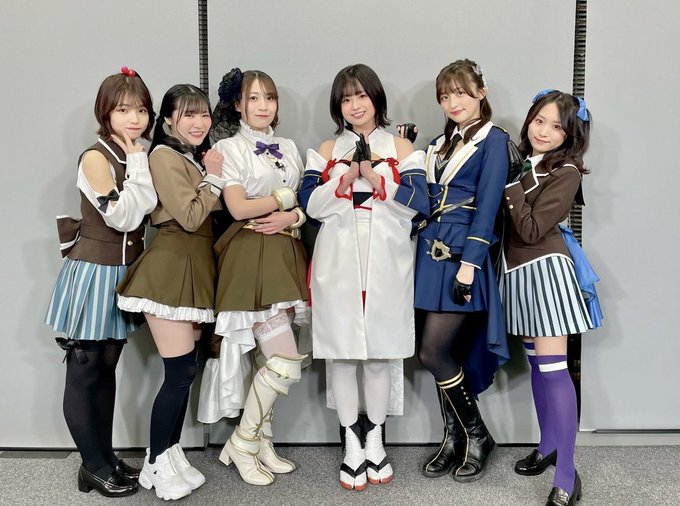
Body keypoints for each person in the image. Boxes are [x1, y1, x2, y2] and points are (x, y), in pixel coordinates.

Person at [299, 63, 429, 491]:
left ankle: (375, 439)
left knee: (378, 355)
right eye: (346, 98)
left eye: (361, 96)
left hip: (387, 256)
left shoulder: (402, 147)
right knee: (341, 353)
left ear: (376, 98)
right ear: (337, 105)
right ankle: (351, 444)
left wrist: (374, 178)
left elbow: (420, 204)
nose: (355, 105)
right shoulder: (325, 149)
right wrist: (345, 178)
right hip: (338, 254)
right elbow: (309, 206)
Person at [45, 67, 156, 497]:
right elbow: (124, 217)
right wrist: (141, 163)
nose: (134, 118)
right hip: (94, 273)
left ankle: (104, 457)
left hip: (122, 272)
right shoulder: (96, 157)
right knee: (85, 370)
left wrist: (139, 161)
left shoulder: (133, 152)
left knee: (107, 368)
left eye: (141, 110)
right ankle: (92, 464)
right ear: (105, 112)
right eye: (124, 109)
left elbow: (146, 206)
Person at [197, 68, 309, 486]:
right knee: (283, 363)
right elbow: (239, 208)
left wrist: (293, 216)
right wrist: (283, 198)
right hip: (249, 253)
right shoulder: (228, 147)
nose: (263, 106)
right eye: (254, 98)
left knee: (268, 360)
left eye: (270, 98)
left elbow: (304, 205)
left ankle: (262, 443)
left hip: (286, 251)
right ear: (238, 105)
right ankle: (242, 444)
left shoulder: (290, 147)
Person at [116, 84, 225, 500]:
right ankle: (157, 460)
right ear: (167, 121)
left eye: (204, 114)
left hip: (193, 268)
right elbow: (192, 216)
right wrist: (214, 176)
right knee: (179, 374)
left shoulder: (189, 156)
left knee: (186, 371)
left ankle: (166, 453)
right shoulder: (163, 155)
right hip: (170, 269)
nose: (199, 122)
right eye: (188, 114)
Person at [413, 59, 509, 482]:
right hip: (428, 254)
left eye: (461, 93)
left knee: (433, 352)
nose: (453, 102)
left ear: (481, 93)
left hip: (461, 257)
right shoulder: (438, 144)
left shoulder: (494, 140)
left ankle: (478, 435)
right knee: (443, 355)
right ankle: (453, 440)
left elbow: (487, 207)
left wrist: (469, 266)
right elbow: (424, 198)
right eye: (445, 95)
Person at [502, 89, 593, 506]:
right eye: (539, 120)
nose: (544, 131)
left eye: (557, 126)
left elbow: (532, 229)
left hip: (547, 274)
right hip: (516, 275)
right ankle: (548, 445)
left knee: (555, 370)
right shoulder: (524, 161)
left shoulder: (567, 171)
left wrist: (510, 184)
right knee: (538, 367)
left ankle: (568, 476)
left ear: (570, 135)